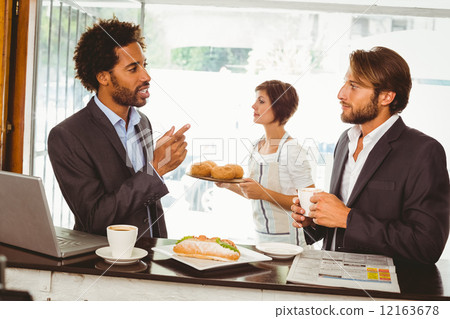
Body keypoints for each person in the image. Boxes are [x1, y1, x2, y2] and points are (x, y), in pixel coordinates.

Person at [291, 47, 449, 264]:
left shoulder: (424, 151)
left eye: (354, 86)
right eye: (345, 83)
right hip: (331, 280)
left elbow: (426, 245)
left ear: (386, 96)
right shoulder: (345, 140)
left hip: (382, 292)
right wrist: (314, 220)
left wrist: (347, 218)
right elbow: (340, 224)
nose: (341, 94)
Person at [48, 18, 190, 238]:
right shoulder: (67, 136)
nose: (146, 76)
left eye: (144, 65)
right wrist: (155, 169)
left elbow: (148, 204)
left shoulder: (142, 122)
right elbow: (94, 218)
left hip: (150, 258)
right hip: (105, 263)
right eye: (133, 69)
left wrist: (161, 251)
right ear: (103, 77)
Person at [217, 80, 314, 245]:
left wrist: (264, 193)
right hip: (261, 240)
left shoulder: (292, 149)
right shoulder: (257, 145)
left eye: (261, 101)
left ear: (279, 106)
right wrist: (225, 184)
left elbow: (309, 203)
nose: (253, 106)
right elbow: (253, 193)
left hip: (289, 244)